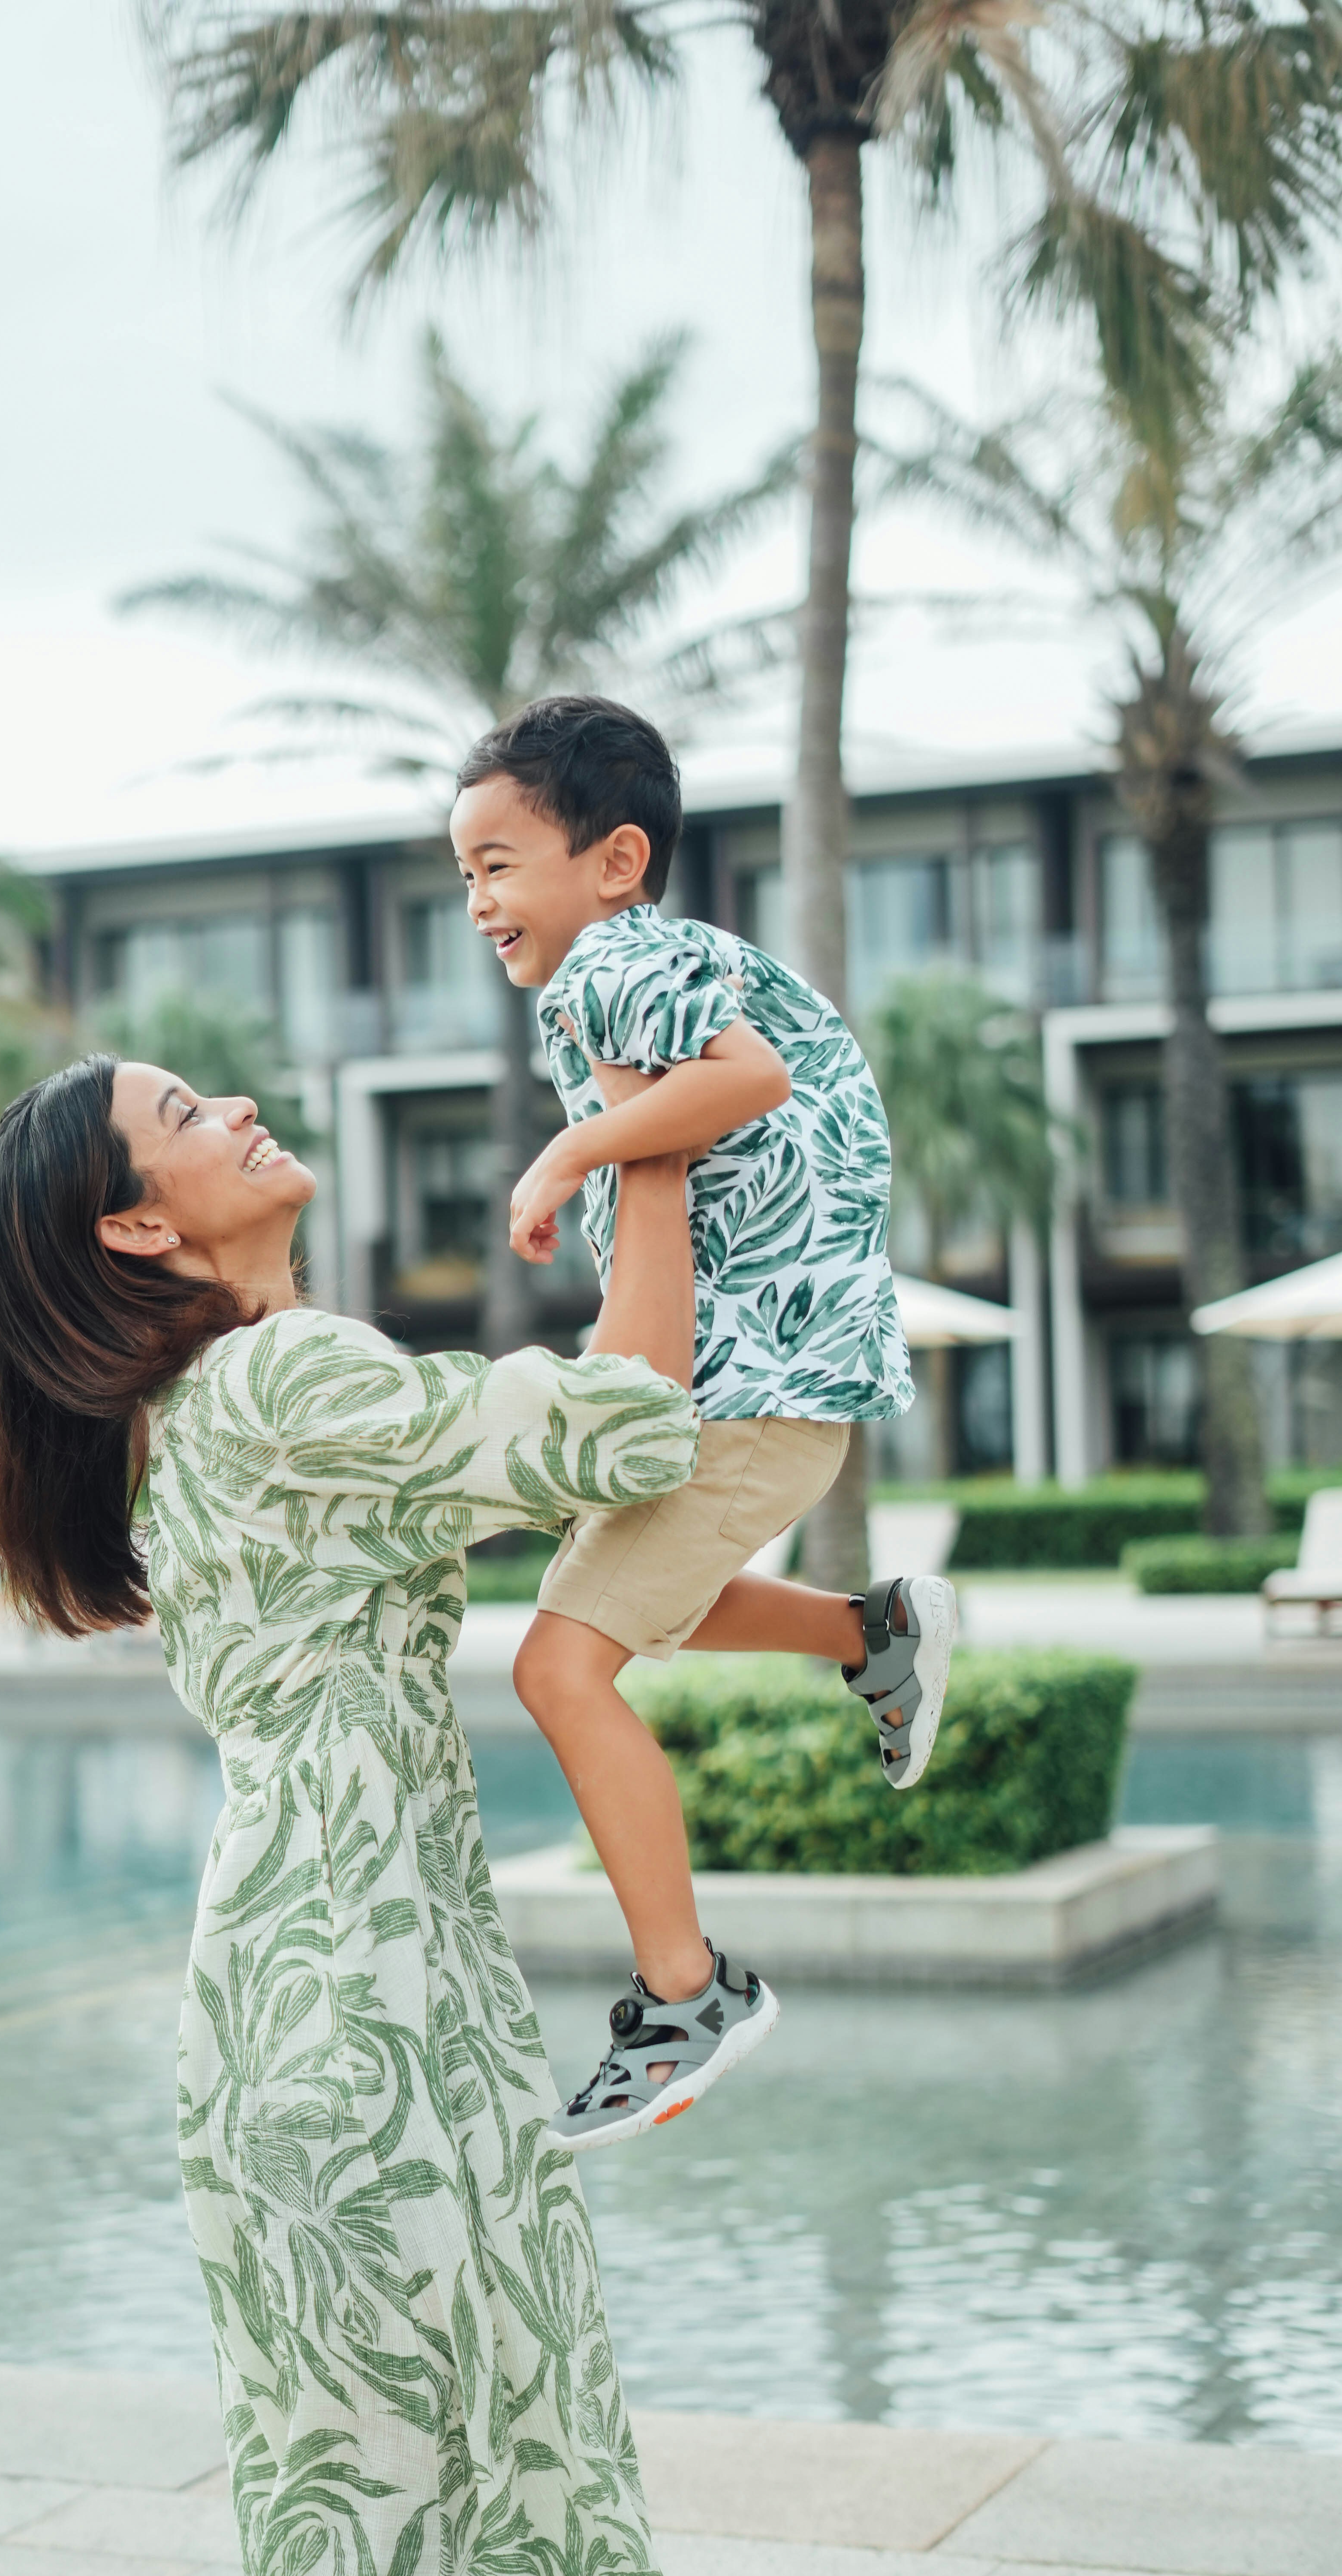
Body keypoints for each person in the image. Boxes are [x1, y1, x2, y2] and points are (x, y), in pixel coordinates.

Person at [0, 1056, 718, 2576]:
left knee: (343, 2473)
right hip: (358, 1998)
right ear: (142, 1226)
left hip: (315, 1976)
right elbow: (628, 1434)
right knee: (372, 2498)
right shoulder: (284, 1382)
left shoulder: (226, 1399)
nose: (242, 1110)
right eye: (191, 1113)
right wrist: (650, 1152)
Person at [448, 694, 958, 2151]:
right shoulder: (645, 968)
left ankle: (692, 1994)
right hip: (775, 1376)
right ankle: (876, 1635)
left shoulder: (614, 966)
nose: (477, 898)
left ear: (614, 861)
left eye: (498, 862)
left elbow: (752, 1084)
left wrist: (564, 1152)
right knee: (634, 1622)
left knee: (561, 1666)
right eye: (464, 872)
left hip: (759, 1383)